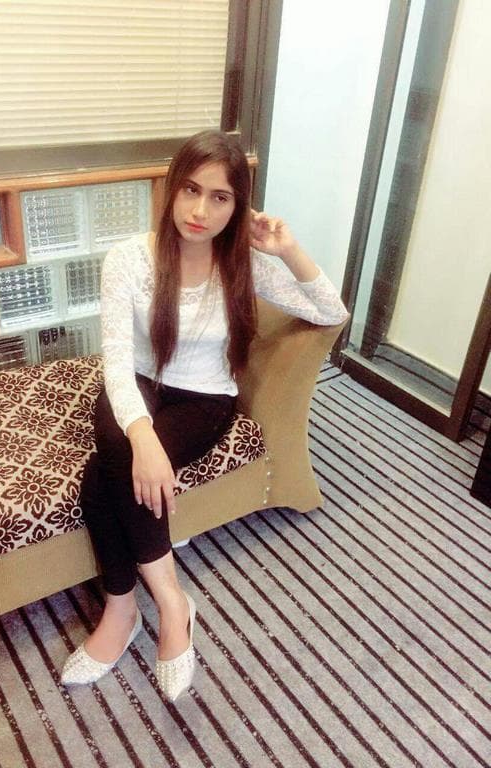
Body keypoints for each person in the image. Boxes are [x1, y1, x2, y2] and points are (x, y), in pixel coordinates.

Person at [60, 130, 348, 700]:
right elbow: (115, 362)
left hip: (205, 398)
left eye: (220, 198)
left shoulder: (245, 264)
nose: (200, 210)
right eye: (191, 190)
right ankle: (169, 604)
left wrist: (288, 249)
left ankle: (124, 611)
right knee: (120, 453)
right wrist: (144, 439)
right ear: (172, 188)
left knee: (102, 473)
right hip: (137, 386)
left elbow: (331, 312)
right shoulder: (129, 259)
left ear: (238, 207)